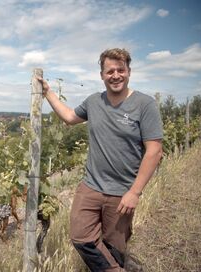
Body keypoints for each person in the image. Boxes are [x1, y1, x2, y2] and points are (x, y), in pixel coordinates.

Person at [37, 48, 163, 272]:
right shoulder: (94, 101)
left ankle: (122, 265)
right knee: (80, 238)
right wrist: (48, 93)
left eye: (120, 70)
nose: (115, 75)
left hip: (122, 191)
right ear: (102, 75)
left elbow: (154, 151)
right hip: (91, 186)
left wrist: (134, 192)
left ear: (129, 71)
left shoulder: (145, 104)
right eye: (110, 71)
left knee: (115, 247)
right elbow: (69, 117)